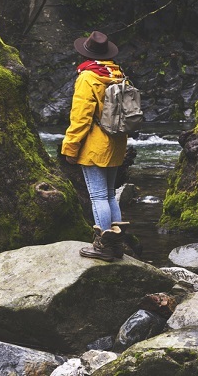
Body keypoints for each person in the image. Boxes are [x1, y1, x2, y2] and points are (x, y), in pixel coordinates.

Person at [61, 30, 129, 262]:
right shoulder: (120, 74)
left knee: (99, 196)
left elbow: (80, 117)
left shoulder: (88, 77)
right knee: (110, 195)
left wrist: (70, 148)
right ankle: (118, 245)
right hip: (117, 143)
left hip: (95, 145)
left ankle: (103, 247)